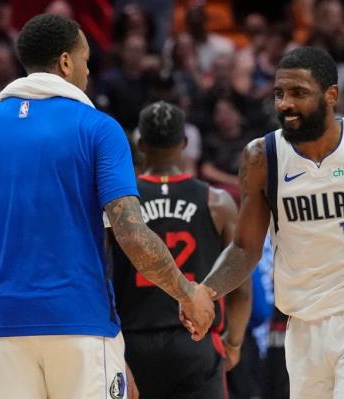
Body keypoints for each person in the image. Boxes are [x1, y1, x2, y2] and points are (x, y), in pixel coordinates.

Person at [0, 14, 214, 399]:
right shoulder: (98, 127)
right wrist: (186, 293)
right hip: (79, 322)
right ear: (65, 62)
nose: (88, 69)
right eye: (85, 59)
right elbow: (131, 233)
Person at [193, 46, 344, 398]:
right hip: (302, 327)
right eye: (279, 94)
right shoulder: (262, 157)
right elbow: (245, 248)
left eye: (298, 93)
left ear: (332, 95)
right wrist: (206, 291)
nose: (285, 103)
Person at [111, 101, 251, 398]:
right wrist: (234, 342)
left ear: (140, 143)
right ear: (185, 143)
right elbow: (241, 284)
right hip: (195, 340)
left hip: (134, 343)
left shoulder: (120, 206)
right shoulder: (217, 201)